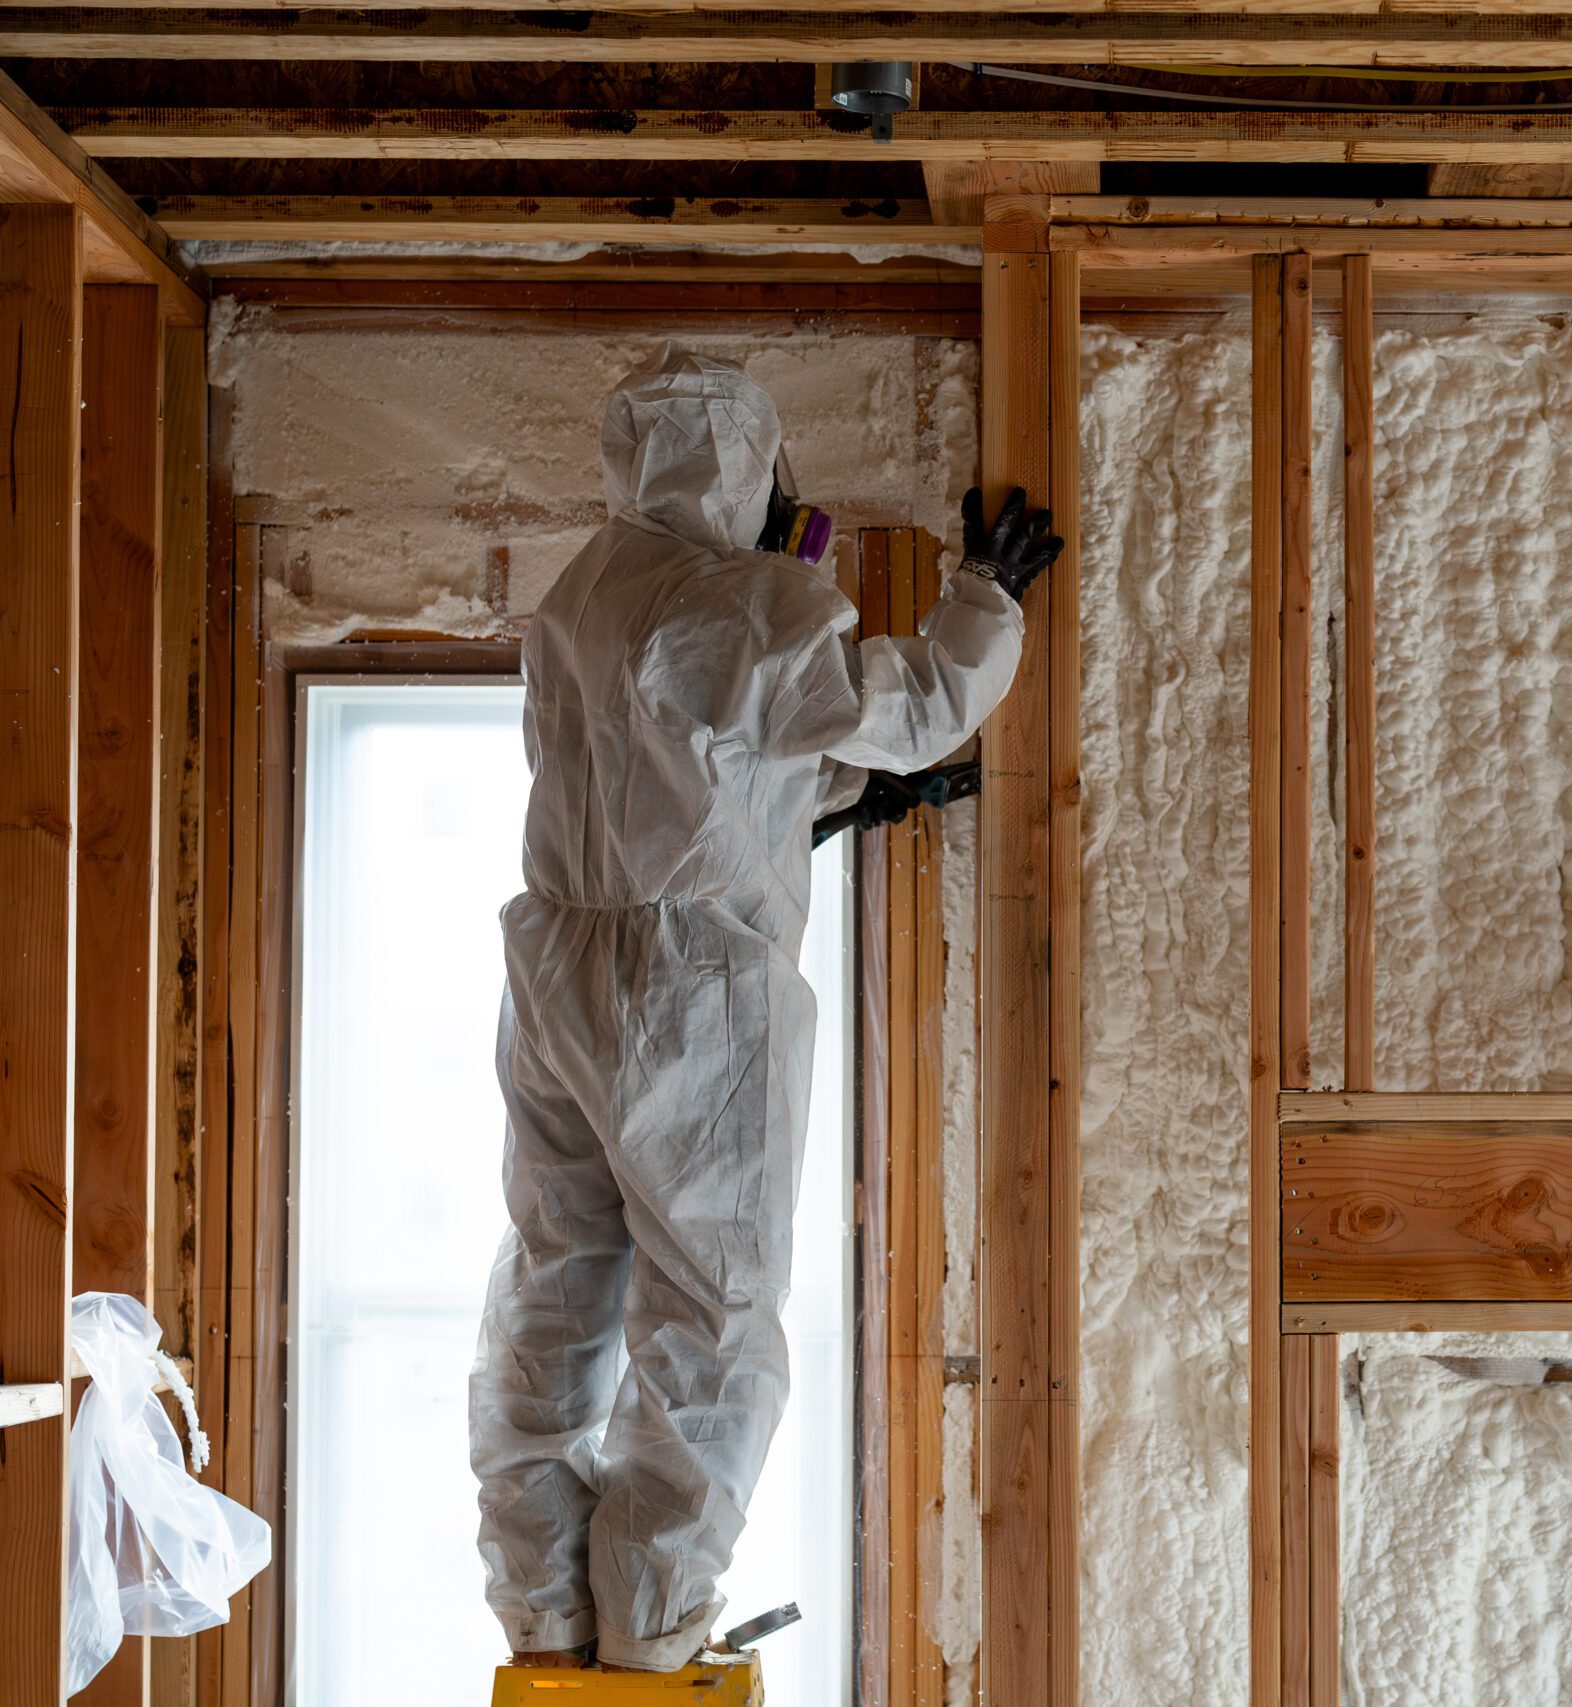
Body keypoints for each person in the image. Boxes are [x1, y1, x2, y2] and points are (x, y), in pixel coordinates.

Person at [468, 346, 1058, 1671]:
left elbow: (671, 786)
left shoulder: (572, 601)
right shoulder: (760, 604)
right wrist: (988, 597)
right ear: (753, 464)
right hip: (691, 998)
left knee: (558, 1280)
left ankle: (537, 1606)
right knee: (712, 1309)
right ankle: (651, 1628)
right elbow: (911, 711)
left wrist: (832, 806)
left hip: (556, 972)